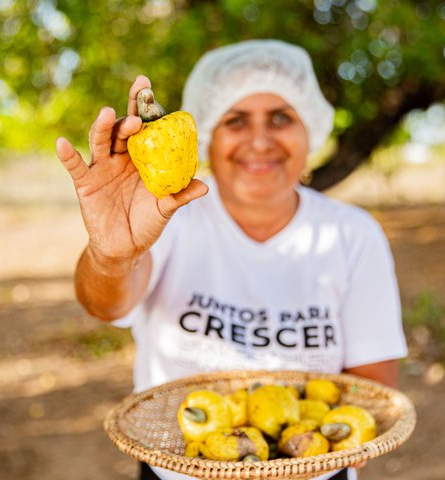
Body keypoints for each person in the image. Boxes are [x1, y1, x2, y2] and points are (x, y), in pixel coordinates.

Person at [55, 39, 407, 480]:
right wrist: (111, 255)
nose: (260, 141)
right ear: (207, 138)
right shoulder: (170, 215)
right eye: (236, 120)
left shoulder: (352, 234)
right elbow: (106, 304)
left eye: (281, 117)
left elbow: (372, 386)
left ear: (309, 134)